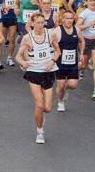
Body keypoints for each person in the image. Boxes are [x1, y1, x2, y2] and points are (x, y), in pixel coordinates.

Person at [16, 13, 61, 144]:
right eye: (38, 23)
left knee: (48, 108)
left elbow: (58, 51)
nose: (40, 25)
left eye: (42, 22)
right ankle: (40, 131)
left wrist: (52, 61)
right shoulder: (27, 38)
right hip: (34, 72)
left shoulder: (50, 35)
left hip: (48, 72)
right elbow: (18, 57)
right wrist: (23, 63)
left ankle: (40, 116)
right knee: (40, 105)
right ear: (32, 24)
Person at [52, 11, 84, 112]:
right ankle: (61, 102)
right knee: (60, 85)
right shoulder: (57, 30)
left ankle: (64, 89)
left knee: (73, 85)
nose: (69, 20)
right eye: (67, 18)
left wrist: (82, 53)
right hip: (60, 63)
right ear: (63, 19)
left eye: (71, 18)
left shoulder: (77, 30)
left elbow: (82, 41)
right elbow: (51, 43)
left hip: (73, 62)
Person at [77, 0, 95, 88]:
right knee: (83, 63)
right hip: (86, 40)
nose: (93, 2)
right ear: (87, 2)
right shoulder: (84, 13)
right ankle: (79, 69)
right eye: (91, 0)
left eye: (94, 0)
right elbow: (78, 26)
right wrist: (88, 25)